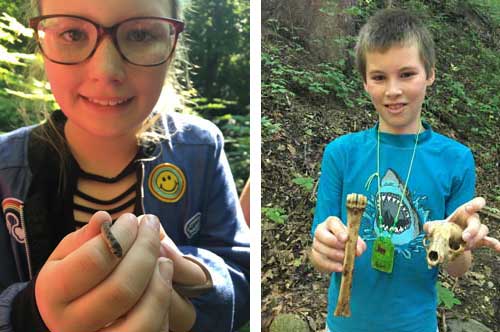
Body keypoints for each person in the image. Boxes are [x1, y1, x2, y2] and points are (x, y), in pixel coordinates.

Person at [0, 0, 249, 331]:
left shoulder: (202, 150)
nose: (106, 71)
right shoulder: (5, 170)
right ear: (42, 43)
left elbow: (241, 272)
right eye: (73, 33)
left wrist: (200, 282)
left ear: (173, 44)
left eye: (141, 34)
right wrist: (28, 314)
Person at [309, 8, 500, 332]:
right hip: (343, 325)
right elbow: (320, 253)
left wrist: (459, 242)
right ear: (365, 82)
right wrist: (324, 247)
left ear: (430, 74)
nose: (392, 90)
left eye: (407, 74)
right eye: (379, 77)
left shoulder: (456, 159)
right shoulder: (341, 154)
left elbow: (458, 269)